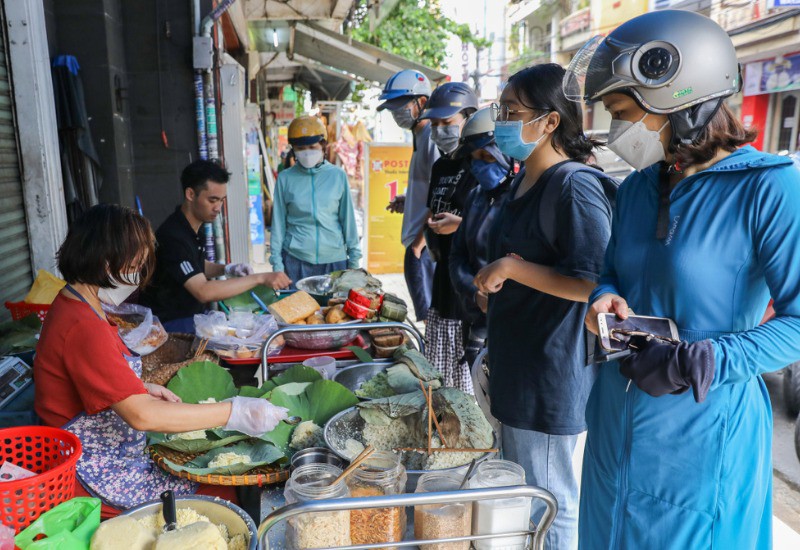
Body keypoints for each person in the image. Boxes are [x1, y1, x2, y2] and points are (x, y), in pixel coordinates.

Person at [567, 10, 800, 548]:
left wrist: (713, 358)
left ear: (679, 100)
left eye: (623, 113)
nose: (616, 131)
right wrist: (603, 298)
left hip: (701, 429)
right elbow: (610, 274)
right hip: (616, 414)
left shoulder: (768, 187)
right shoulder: (637, 187)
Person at [34, 204, 289, 516]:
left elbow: (91, 376)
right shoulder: (82, 325)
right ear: (103, 258)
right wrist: (234, 412)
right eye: (135, 261)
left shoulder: (77, 304)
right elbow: (142, 417)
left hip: (112, 451)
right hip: (97, 470)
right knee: (223, 500)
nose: (139, 272)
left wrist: (137, 387)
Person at [473, 63, 613, 550]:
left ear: (550, 121)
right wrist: (494, 282)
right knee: (527, 495)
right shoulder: (519, 183)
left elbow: (591, 281)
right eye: (500, 110)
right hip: (518, 362)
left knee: (551, 501)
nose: (501, 122)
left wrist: (509, 270)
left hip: (551, 370)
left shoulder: (574, 186)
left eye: (511, 111)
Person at [141, 160, 291, 333]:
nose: (218, 208)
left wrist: (227, 269)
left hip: (190, 316)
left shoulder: (194, 226)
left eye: (221, 200)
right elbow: (203, 291)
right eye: (212, 200)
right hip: (168, 325)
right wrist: (260, 278)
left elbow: (194, 266)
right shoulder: (173, 236)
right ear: (190, 194)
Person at [419, 81, 479, 392]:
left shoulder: (482, 164)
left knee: (466, 362)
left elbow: (498, 219)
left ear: (469, 118)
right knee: (439, 366)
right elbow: (433, 207)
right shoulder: (441, 165)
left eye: (448, 123)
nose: (440, 130)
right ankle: (443, 423)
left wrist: (462, 224)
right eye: (435, 124)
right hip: (441, 273)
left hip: (469, 278)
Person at [448, 107, 512, 370]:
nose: (480, 165)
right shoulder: (475, 197)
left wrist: (497, 298)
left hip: (513, 325)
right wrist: (476, 293)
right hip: (475, 320)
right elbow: (457, 257)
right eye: (475, 159)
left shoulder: (524, 198)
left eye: (487, 156)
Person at [377, 70, 440, 322]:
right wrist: (409, 199)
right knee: (426, 318)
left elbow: (443, 195)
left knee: (430, 319)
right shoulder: (419, 137)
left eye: (399, 107)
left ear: (421, 103)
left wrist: (418, 245)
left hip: (424, 247)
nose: (396, 114)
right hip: (419, 245)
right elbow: (428, 187)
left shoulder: (432, 138)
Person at [269, 115, 362, 282]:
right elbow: (278, 224)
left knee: (334, 309)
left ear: (323, 145)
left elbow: (348, 221)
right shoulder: (285, 178)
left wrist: (354, 262)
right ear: (293, 149)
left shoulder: (338, 176)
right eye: (300, 148)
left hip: (335, 262)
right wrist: (277, 265)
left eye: (312, 146)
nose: (306, 152)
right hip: (295, 261)